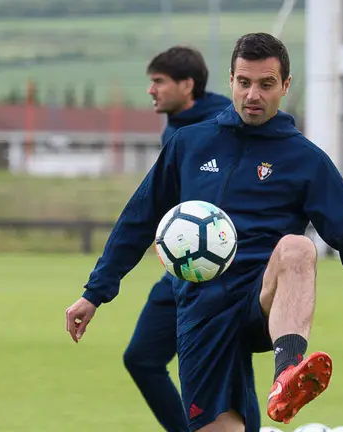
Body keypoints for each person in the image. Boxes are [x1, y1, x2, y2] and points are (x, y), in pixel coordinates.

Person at [65, 33, 343, 432]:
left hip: (262, 299)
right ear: (230, 82)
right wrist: (94, 293)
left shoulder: (305, 160)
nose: (253, 94)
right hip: (200, 306)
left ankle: (289, 372)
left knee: (297, 248)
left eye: (266, 84)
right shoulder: (189, 144)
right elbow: (138, 220)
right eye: (244, 82)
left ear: (286, 86)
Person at [66, 46, 230, 432]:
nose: (150, 90)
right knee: (141, 357)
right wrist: (96, 291)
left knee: (229, 372)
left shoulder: (225, 125)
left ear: (187, 85)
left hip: (230, 277)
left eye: (158, 81)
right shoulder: (177, 128)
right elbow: (144, 213)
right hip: (181, 269)